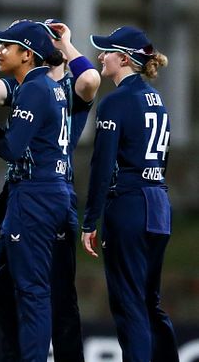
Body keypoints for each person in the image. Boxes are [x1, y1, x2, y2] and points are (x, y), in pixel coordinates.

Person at [0, 19, 100, 361]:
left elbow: (10, 148)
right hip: (48, 195)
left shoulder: (44, 90)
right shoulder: (40, 88)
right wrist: (2, 51)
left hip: (36, 195)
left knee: (34, 293)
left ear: (28, 55)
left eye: (8, 45)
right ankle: (22, 351)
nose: (1, 49)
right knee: (1, 290)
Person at [82, 26, 178, 361]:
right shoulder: (157, 100)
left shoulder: (116, 102)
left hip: (130, 206)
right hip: (158, 204)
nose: (100, 57)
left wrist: (89, 220)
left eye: (106, 51)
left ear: (123, 58)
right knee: (149, 302)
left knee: (129, 304)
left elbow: (101, 164)